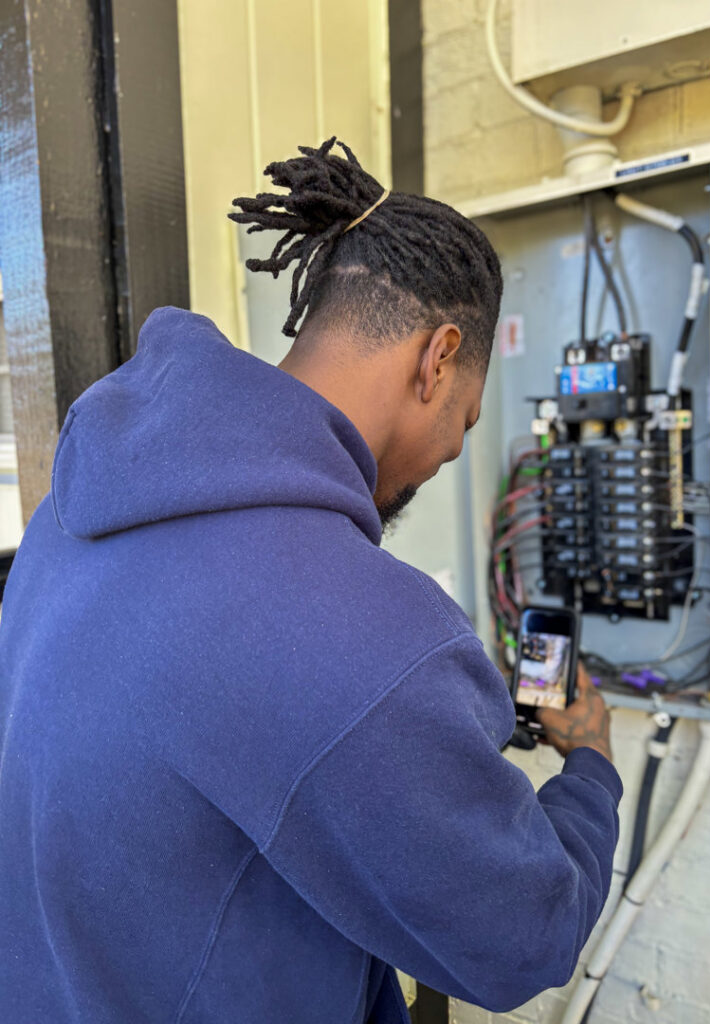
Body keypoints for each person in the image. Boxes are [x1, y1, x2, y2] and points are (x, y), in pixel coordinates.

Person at [0, 138, 620, 1024]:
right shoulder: (365, 632)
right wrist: (590, 765)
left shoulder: (70, 511)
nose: (453, 449)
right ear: (437, 358)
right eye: (466, 416)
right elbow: (525, 933)